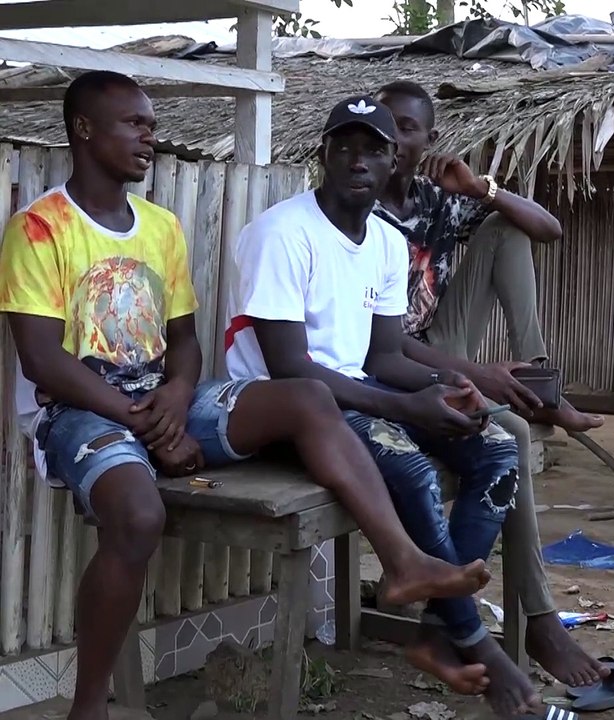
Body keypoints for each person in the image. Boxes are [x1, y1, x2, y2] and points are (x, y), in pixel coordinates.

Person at [0, 73, 489, 720]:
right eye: (135, 124)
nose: (150, 137)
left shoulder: (160, 226)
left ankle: (403, 563)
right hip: (83, 413)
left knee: (306, 396)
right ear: (84, 129)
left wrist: (177, 395)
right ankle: (88, 708)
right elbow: (42, 360)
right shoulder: (39, 228)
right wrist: (146, 423)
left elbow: (184, 341)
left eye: (152, 125)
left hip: (163, 403)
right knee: (140, 517)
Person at [223, 95, 552, 719]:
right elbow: (290, 368)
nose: (358, 161)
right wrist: (407, 409)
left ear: (394, 158)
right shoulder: (281, 233)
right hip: (290, 408)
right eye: (344, 148)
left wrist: (442, 387)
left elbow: (384, 356)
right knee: (412, 467)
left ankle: (436, 628)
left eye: (373, 150)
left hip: (358, 392)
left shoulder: (385, 242)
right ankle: (476, 640)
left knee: (498, 448)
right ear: (323, 154)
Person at [371, 80, 610, 690]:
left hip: (437, 337)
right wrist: (477, 376)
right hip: (388, 358)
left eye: (406, 128)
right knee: (510, 435)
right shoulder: (358, 207)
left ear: (429, 139)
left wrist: (483, 189)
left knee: (507, 228)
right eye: (385, 125)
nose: (392, 140)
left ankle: (539, 384)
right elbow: (380, 346)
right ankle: (538, 619)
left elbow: (550, 230)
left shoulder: (438, 200)